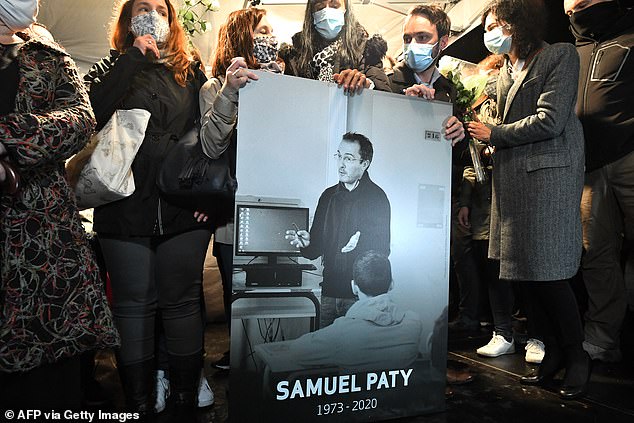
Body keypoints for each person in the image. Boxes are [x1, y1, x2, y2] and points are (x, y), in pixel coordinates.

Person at [84, 0, 213, 416]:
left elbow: (213, 135)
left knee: (182, 301)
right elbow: (88, 113)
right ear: (127, 18)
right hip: (123, 206)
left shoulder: (190, 71)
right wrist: (133, 58)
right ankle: (139, 402)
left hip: (183, 206)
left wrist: (209, 197)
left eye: (162, 8)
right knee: (132, 303)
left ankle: (184, 399)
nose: (154, 15)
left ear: (173, 21)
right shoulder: (111, 66)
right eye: (144, 6)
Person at [0, 0, 119, 409]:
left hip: (45, 232)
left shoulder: (44, 50)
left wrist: (8, 137)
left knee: (55, 364)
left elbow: (79, 119)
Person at [467, 0, 588, 400]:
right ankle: (551, 353)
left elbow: (550, 119)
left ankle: (577, 356)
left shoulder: (558, 55)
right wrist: (486, 137)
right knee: (526, 276)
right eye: (487, 26)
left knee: (551, 274)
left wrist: (494, 135)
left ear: (519, 23)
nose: (491, 32)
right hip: (513, 180)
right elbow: (501, 123)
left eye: (497, 24)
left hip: (548, 180)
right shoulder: (502, 71)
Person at [198, 6, 278, 373]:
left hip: (278, 206)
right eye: (261, 31)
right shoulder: (214, 88)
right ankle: (242, 354)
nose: (269, 38)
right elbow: (211, 147)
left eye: (271, 32)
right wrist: (231, 92)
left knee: (276, 291)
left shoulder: (282, 80)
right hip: (233, 213)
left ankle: (274, 353)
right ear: (243, 36)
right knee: (239, 292)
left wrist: (281, 87)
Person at [563, 0, 634, 363]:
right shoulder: (572, 49)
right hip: (589, 166)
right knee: (596, 254)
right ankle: (603, 338)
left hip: (629, 157)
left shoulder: (629, 34)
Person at [286, 132, 391, 328]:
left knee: (356, 356)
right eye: (339, 156)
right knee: (326, 354)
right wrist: (307, 243)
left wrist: (360, 243)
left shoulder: (377, 198)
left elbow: (383, 252)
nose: (341, 164)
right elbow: (315, 249)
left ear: (364, 164)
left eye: (348, 158)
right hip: (329, 292)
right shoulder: (327, 197)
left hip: (361, 296)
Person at [255, 251, 422, 371]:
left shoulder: (340, 333)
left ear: (354, 287)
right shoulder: (413, 324)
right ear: (392, 283)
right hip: (395, 408)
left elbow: (296, 352)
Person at [279, 0, 390, 93]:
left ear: (346, 10)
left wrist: (367, 84)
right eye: (320, 7)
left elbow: (384, 93)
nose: (327, 11)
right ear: (311, 14)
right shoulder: (296, 54)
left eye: (335, 6)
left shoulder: (366, 50)